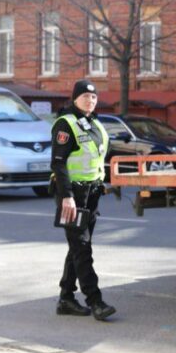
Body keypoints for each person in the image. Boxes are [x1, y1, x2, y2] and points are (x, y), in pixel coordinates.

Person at [51, 79, 116, 321]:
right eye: (86, 96)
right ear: (75, 98)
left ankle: (66, 298)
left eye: (94, 97)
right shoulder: (65, 124)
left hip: (92, 194)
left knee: (77, 249)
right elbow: (58, 163)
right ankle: (95, 301)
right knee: (83, 248)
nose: (91, 100)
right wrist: (66, 197)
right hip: (72, 195)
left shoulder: (95, 123)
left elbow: (100, 156)